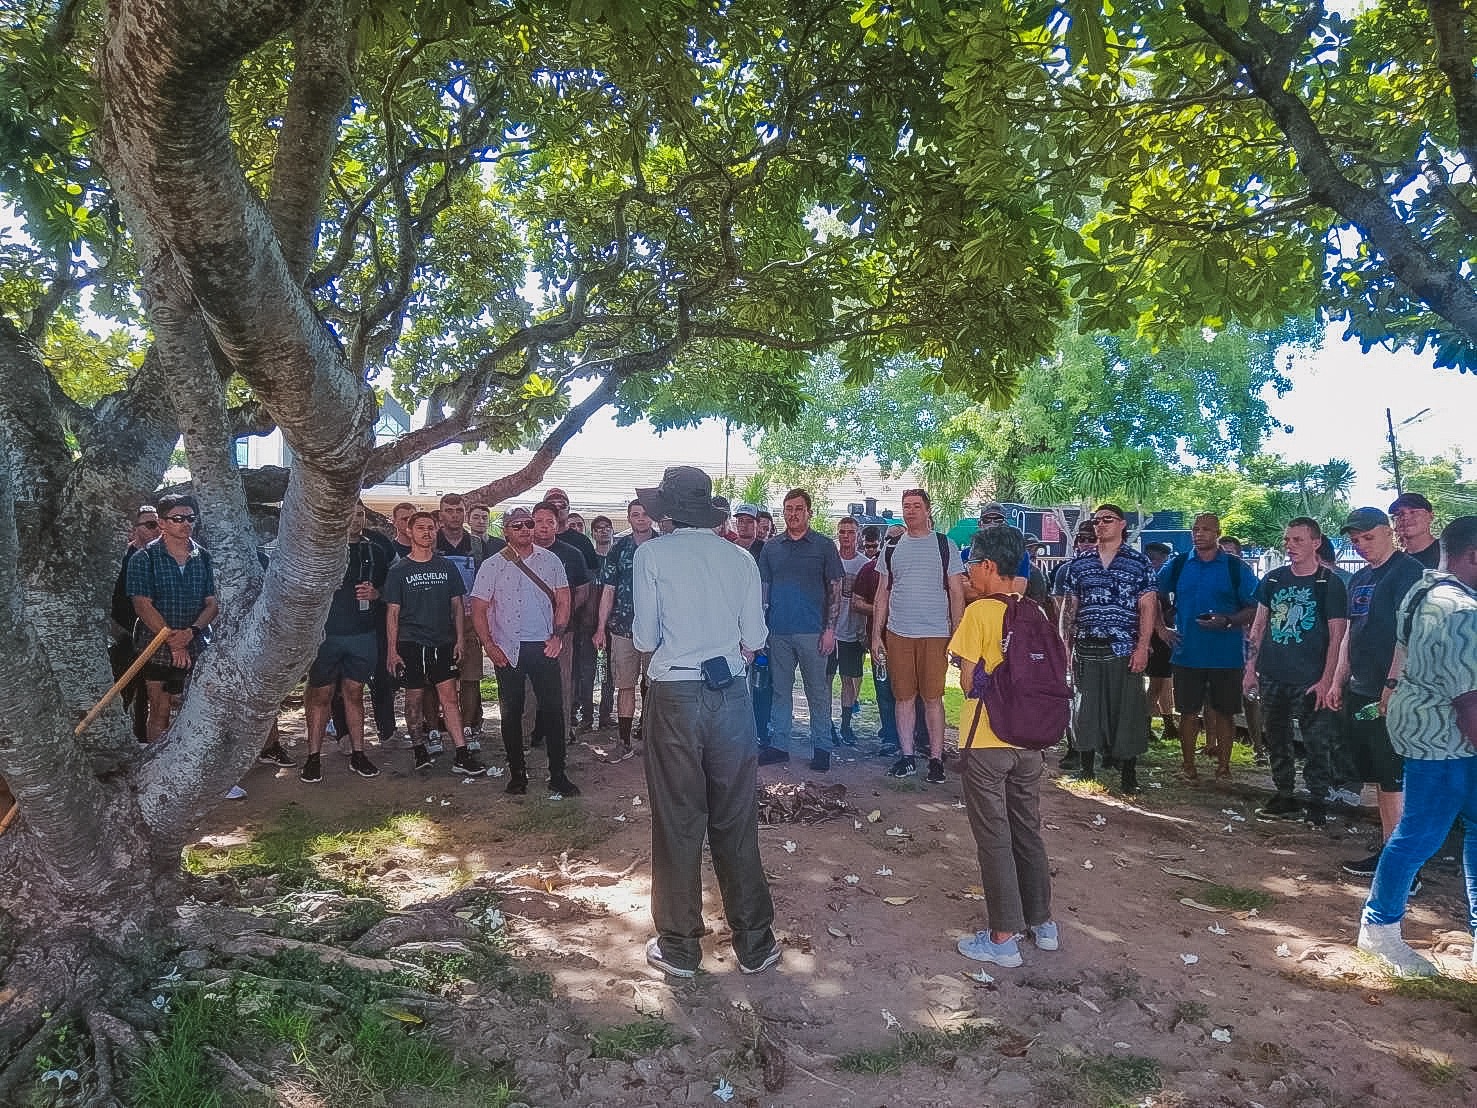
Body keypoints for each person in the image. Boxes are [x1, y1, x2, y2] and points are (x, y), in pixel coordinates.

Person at [630, 466, 779, 978]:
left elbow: (645, 638)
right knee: (736, 816)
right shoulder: (740, 558)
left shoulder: (651, 555)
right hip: (730, 694)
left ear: (668, 512)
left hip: (675, 695)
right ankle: (755, 943)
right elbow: (755, 637)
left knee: (678, 818)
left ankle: (679, 947)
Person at [1356, 515, 1477, 977]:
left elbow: (1403, 652)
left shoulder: (1424, 589)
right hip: (1443, 739)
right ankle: (1380, 928)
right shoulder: (1459, 610)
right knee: (1419, 833)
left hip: (1432, 728)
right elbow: (1469, 702)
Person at [949, 525, 1059, 967]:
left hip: (986, 741)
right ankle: (1042, 923)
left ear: (990, 566)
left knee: (993, 837)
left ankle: (1002, 938)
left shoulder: (979, 613)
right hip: (1030, 742)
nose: (969, 572)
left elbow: (967, 682)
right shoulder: (1036, 611)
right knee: (1027, 830)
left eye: (973, 564)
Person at [1332, 507, 1426, 879]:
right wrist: (1338, 680)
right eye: (1356, 540)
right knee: (1382, 777)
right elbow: (1350, 633)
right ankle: (1390, 852)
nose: (1362, 545)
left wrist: (1392, 685)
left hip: (1395, 692)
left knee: (1396, 777)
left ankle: (1405, 869)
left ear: (1388, 532)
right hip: (1361, 688)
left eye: (1368, 537)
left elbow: (1408, 637)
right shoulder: (1359, 579)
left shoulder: (1408, 572)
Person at [1242, 517, 1349, 824]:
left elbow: (1337, 636)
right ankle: (1284, 794)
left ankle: (1317, 800)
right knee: (1276, 737)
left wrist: (1327, 680)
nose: (1290, 546)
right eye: (1287, 540)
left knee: (1317, 743)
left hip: (1311, 678)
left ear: (1316, 542)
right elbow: (1259, 626)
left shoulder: (1329, 583)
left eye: (1298, 540)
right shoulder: (1273, 579)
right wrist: (1250, 668)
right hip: (1273, 673)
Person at [470, 507, 579, 795]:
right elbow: (478, 608)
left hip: (543, 646)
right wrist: (489, 645)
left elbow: (564, 600)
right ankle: (517, 774)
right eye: (516, 525)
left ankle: (558, 774)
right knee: (511, 713)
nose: (524, 529)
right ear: (505, 530)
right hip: (508, 648)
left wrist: (557, 637)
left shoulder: (551, 561)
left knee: (554, 711)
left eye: (528, 524)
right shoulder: (492, 565)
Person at [1058, 504, 1156, 792]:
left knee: (1127, 711)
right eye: (1097, 521)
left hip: (1124, 648)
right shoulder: (1080, 563)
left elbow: (1148, 606)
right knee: (1085, 709)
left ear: (1122, 524)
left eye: (1107, 520)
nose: (1100, 525)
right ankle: (1086, 768)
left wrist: (1143, 646)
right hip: (1087, 645)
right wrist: (1065, 645)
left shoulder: (1139, 562)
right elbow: (1070, 607)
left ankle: (1129, 774)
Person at [1156, 513, 1259, 781]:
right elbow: (1152, 593)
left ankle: (1224, 768)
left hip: (1226, 655)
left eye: (1206, 529)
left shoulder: (1235, 568)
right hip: (1187, 652)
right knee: (1187, 712)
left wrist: (1228, 621)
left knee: (1225, 713)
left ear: (1217, 533)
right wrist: (1161, 628)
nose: (1199, 534)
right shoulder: (1179, 564)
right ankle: (1188, 766)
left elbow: (1255, 606)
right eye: (1195, 529)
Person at [872, 488, 965, 784]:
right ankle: (908, 757)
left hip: (935, 633)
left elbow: (956, 592)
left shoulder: (945, 545)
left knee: (933, 698)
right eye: (906, 506)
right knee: (903, 698)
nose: (910, 511)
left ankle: (936, 759)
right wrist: (876, 636)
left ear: (927, 510)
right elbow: (882, 594)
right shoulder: (891, 548)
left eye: (915, 505)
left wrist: (958, 634)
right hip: (899, 632)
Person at [383, 511, 486, 777]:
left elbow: (457, 606)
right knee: (414, 697)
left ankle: (461, 753)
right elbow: (392, 613)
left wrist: (460, 639)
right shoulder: (399, 570)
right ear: (409, 531)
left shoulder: (446, 566)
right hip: (411, 642)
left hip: (443, 640)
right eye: (420, 528)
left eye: (430, 527)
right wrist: (392, 650)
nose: (426, 532)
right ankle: (419, 748)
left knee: (449, 697)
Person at [299, 501, 391, 784]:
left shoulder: (375, 550)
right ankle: (313, 757)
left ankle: (359, 753)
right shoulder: (321, 549)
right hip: (326, 635)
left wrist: (376, 594)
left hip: (362, 634)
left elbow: (392, 587)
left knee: (354, 693)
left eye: (360, 514)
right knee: (321, 694)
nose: (356, 519)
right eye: (349, 514)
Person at [757, 488, 844, 771]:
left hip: (813, 632)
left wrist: (830, 630)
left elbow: (836, 588)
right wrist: (761, 627)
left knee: (817, 692)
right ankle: (779, 746)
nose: (793, 514)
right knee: (780, 691)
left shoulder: (823, 546)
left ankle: (822, 748)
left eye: (798, 509)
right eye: (788, 509)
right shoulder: (771, 547)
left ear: (809, 512)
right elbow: (763, 589)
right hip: (778, 631)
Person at [127, 493, 219, 743]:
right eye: (178, 518)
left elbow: (212, 604)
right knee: (160, 709)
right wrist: (173, 642)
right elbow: (142, 606)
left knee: (201, 711)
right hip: (155, 646)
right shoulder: (143, 558)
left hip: (197, 644)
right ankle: (156, 764)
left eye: (190, 518)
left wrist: (191, 632)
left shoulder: (205, 558)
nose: (186, 523)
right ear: (162, 522)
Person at [595, 499, 657, 753]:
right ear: (629, 518)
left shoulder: (664, 546)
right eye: (635, 514)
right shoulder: (618, 549)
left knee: (655, 685)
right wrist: (600, 628)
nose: (641, 518)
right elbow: (608, 590)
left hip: (658, 630)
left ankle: (652, 735)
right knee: (625, 684)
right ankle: (624, 740)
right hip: (622, 627)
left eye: (645, 514)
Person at [531, 501, 591, 745]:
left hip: (563, 631)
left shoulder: (572, 554)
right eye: (539, 521)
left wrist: (562, 616)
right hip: (528, 632)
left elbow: (583, 590)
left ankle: (563, 731)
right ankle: (531, 732)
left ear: (558, 525)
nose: (544, 526)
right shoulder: (519, 553)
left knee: (563, 681)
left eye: (550, 522)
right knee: (529, 684)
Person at [109, 504, 160, 742]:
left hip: (154, 637)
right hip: (125, 639)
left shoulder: (160, 559)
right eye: (150, 524)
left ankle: (141, 742)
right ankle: (116, 744)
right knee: (122, 695)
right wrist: (119, 634)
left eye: (158, 523)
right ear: (134, 528)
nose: (157, 529)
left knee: (148, 698)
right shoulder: (119, 561)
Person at [850, 525, 897, 753]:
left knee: (913, 693)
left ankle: (918, 737)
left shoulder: (916, 570)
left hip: (910, 641)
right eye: (889, 539)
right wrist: (881, 610)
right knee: (884, 690)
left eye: (899, 539)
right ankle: (890, 735)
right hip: (881, 642)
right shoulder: (870, 569)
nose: (893, 544)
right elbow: (856, 602)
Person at [834, 516, 870, 746]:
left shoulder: (865, 565)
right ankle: (825, 724)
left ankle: (846, 725)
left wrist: (865, 631)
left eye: (851, 532)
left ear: (858, 535)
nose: (846, 536)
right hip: (829, 632)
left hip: (853, 632)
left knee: (849, 680)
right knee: (825, 680)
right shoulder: (830, 560)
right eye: (842, 532)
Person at [1142, 542, 1178, 744]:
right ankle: (1145, 726)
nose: (1162, 566)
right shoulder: (1146, 581)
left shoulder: (1161, 581)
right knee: (1155, 684)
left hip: (1163, 637)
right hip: (1153, 637)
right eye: (1159, 561)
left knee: (1163, 682)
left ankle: (1168, 724)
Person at [590, 514, 617, 728]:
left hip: (614, 623)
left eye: (607, 527)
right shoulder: (588, 558)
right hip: (589, 623)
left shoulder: (618, 557)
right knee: (587, 671)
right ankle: (585, 715)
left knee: (609, 673)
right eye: (599, 528)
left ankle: (606, 714)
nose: (603, 530)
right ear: (593, 533)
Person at [1389, 491, 1440, 569]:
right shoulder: (1396, 564)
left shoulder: (1448, 552)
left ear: (1431, 516)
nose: (1405, 517)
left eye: (1413, 512)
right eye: (1399, 514)